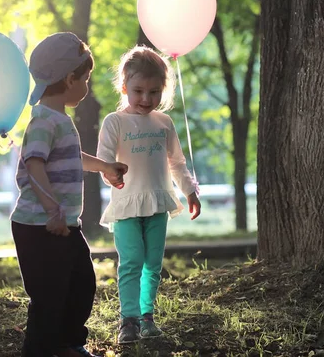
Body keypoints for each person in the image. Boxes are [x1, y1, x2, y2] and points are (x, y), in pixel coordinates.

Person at [10, 32, 128, 357]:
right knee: (49, 294)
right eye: (85, 78)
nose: (87, 86)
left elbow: (72, 157)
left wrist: (104, 166)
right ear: (69, 78)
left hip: (61, 224)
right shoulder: (43, 121)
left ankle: (67, 343)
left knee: (81, 282)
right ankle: (41, 349)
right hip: (39, 226)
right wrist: (52, 209)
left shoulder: (60, 119)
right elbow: (33, 164)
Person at [96, 45, 202, 344]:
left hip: (157, 201)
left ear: (163, 90)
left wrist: (190, 191)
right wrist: (110, 171)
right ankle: (127, 320)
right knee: (131, 260)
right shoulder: (114, 122)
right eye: (138, 90)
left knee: (152, 263)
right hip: (127, 204)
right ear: (124, 86)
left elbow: (176, 162)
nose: (146, 99)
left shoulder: (164, 123)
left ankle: (147, 317)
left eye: (154, 92)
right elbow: (103, 159)